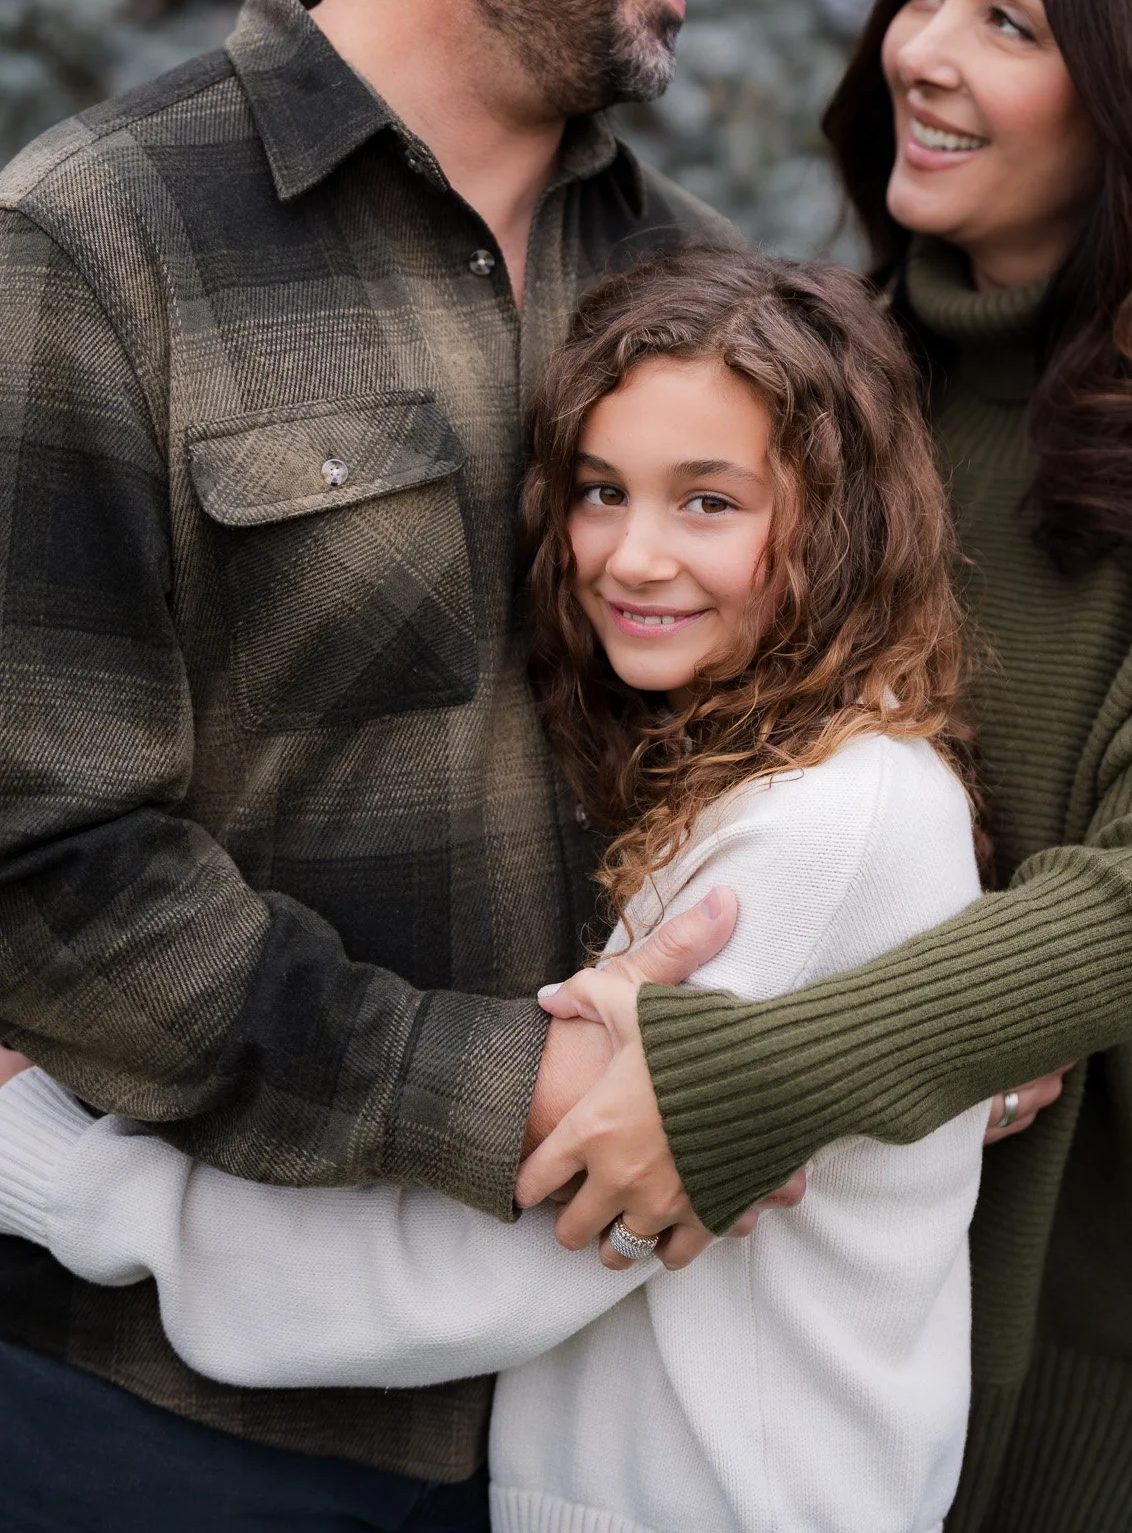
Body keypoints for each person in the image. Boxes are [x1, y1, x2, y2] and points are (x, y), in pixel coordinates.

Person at [0, 0, 761, 1531]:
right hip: (167, 1422)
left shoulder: (698, 292)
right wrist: (483, 1087)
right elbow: (47, 860)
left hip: (608, 1397)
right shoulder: (94, 246)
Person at [512, 0, 1132, 1533]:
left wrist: (746, 1077)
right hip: (864, 1305)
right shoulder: (851, 376)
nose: (921, 50)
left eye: (1011, 19)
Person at [0, 249, 991, 1533]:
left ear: (841, 520)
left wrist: (65, 1170)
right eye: (600, 490)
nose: (631, 556)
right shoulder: (765, 764)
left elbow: (505, 1266)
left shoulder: (825, 824)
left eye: (709, 502)